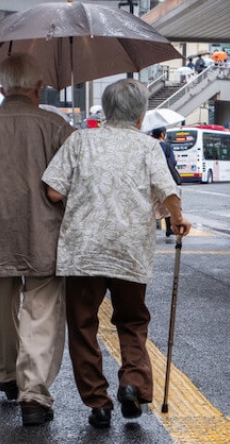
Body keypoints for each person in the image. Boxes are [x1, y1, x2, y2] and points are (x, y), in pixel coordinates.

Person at [41, 79, 192, 429]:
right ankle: (133, 385)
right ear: (141, 116)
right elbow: (167, 190)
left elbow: (51, 192)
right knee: (132, 320)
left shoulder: (80, 140)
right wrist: (178, 218)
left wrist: (83, 200)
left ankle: (99, 403)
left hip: (83, 249)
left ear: (106, 112)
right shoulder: (148, 147)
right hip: (130, 248)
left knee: (82, 326)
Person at [0, 53, 76, 426]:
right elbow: (73, 182)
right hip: (45, 234)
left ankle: (7, 375)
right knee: (42, 312)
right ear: (39, 87)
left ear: (2, 87)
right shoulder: (56, 126)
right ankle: (34, 394)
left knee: (1, 308)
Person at [152, 127, 182, 237]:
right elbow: (172, 162)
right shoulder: (166, 146)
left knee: (152, 204)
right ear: (162, 134)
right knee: (167, 202)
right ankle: (169, 228)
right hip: (164, 178)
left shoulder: (148, 145)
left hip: (150, 179)